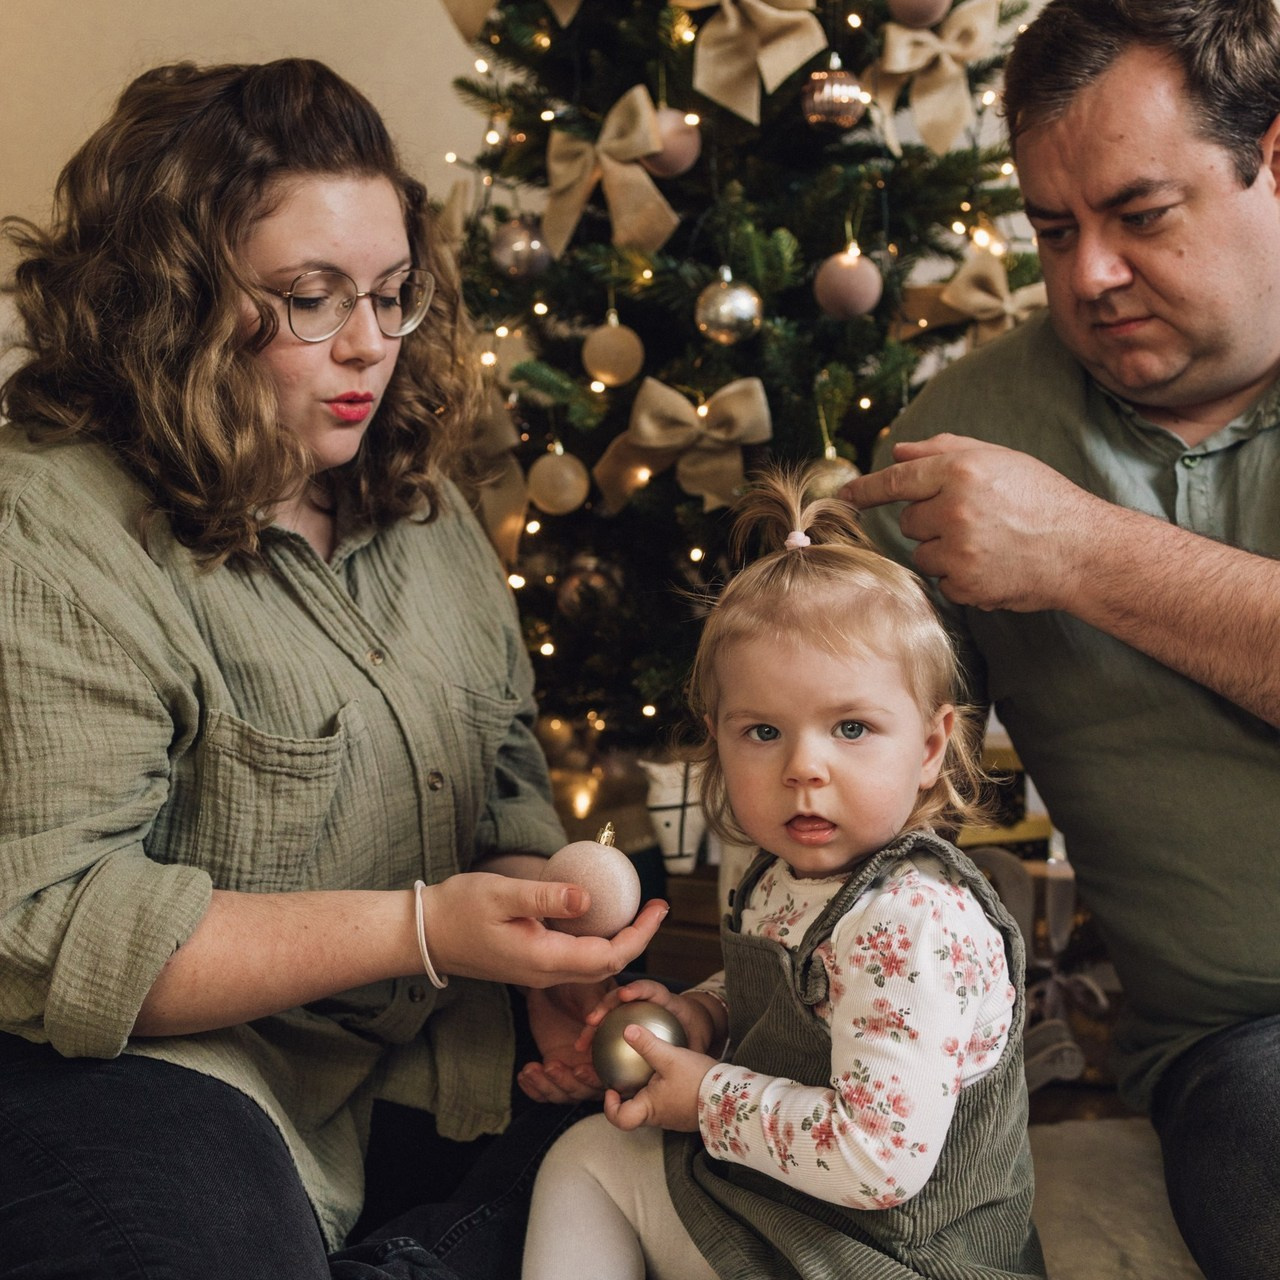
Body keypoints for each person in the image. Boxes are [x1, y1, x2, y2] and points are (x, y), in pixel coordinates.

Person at [0, 58, 668, 1280]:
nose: (369, 345)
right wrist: (423, 926)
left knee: (691, 1158)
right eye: (311, 299)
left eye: (392, 294)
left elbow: (500, 781)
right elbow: (56, 924)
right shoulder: (50, 529)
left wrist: (539, 937)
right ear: (171, 302)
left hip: (424, 1058)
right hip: (163, 1073)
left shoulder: (418, 502)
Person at [844, 2, 1280, 1276]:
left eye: (1139, 214)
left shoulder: (1023, 501)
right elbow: (854, 762)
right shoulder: (962, 435)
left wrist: (1080, 551)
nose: (1086, 274)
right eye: (1050, 228)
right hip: (1240, 1049)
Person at [521, 466, 1046, 1280]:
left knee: (590, 1161)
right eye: (763, 732)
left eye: (851, 728)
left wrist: (706, 1097)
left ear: (930, 747)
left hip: (889, 1258)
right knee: (592, 1153)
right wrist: (703, 1013)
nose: (804, 767)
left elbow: (878, 1159)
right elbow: (804, 990)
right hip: (793, 1213)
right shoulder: (787, 876)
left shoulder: (912, 920)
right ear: (718, 740)